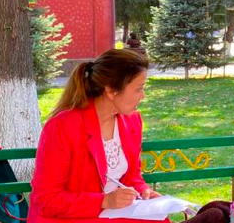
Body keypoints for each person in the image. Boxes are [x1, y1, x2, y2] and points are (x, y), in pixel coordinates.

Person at [28, 49, 163, 223]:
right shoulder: (63, 126)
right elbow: (46, 200)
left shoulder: (133, 121)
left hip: (114, 215)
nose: (143, 96)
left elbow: (132, 178)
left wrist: (144, 191)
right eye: (139, 89)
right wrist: (104, 201)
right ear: (112, 91)